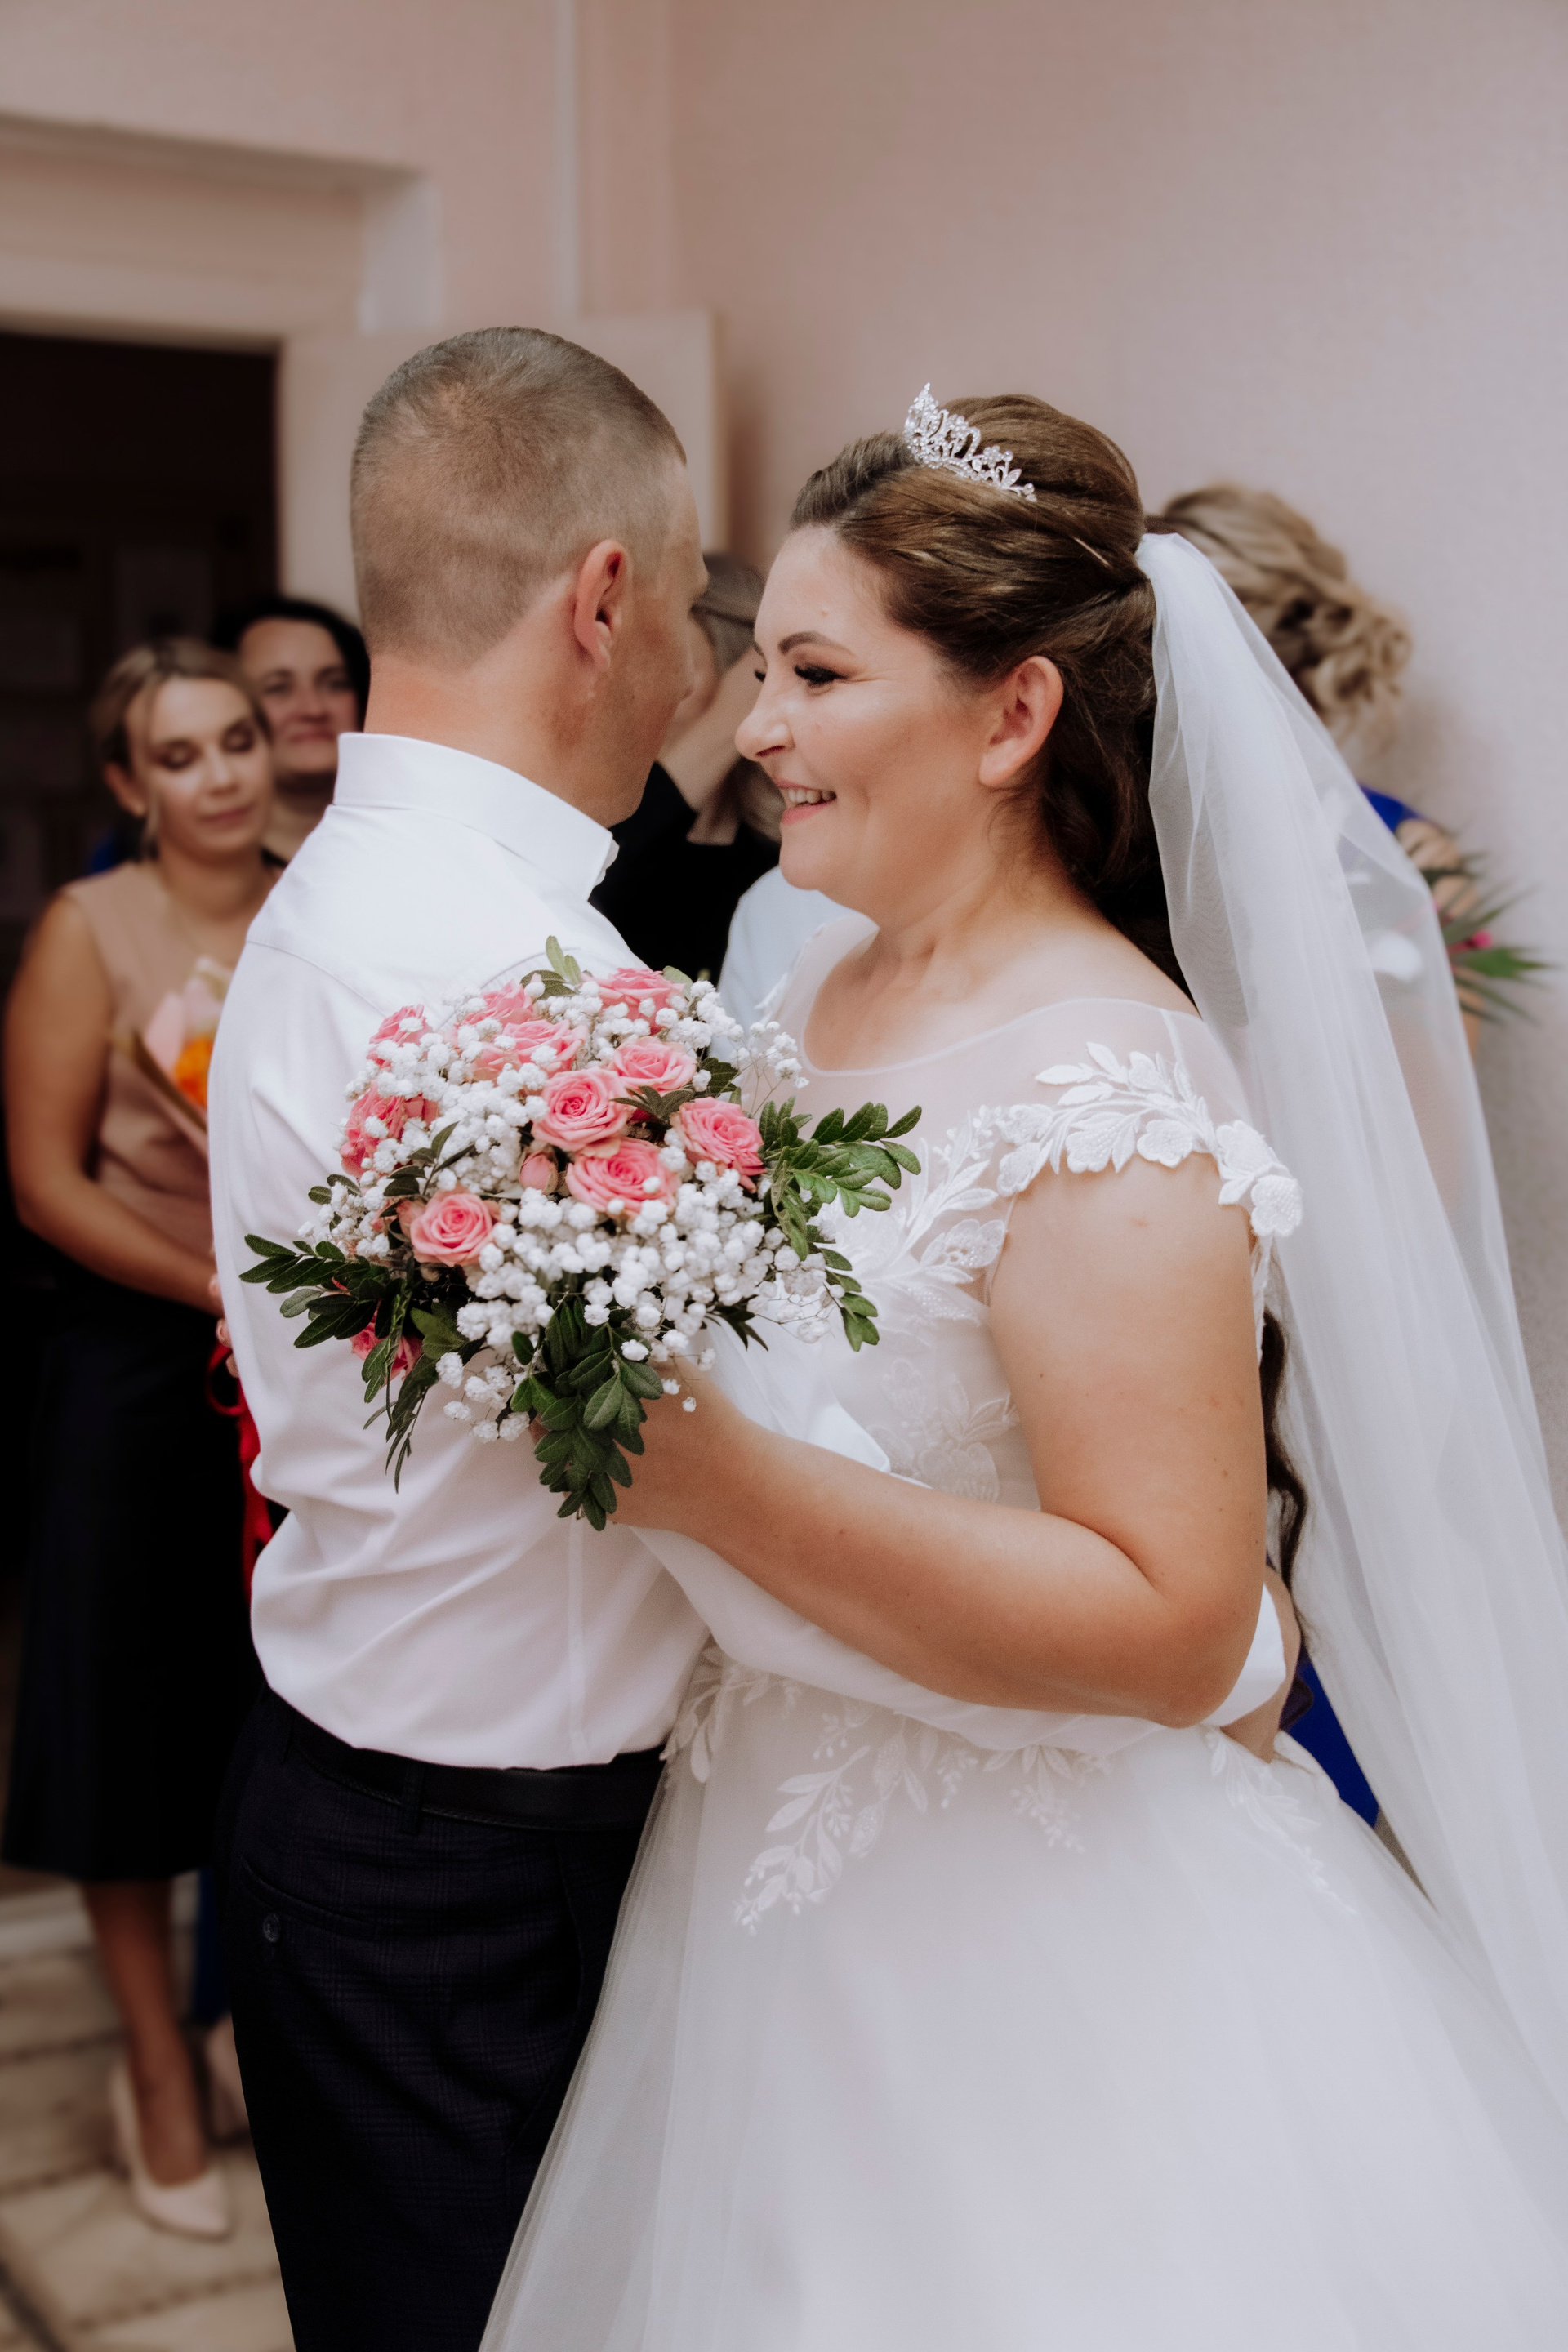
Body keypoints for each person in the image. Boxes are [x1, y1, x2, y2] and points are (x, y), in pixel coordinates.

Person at [483, 393, 1568, 2346]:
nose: (756, 726)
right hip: (770, 1876)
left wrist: (720, 1482)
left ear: (1011, 718)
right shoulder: (812, 981)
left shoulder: (1106, 1084)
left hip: (1042, 1950)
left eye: (816, 674)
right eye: (760, 668)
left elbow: (1178, 1614)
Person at [207, 327, 715, 2352]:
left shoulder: (393, 902)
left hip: (406, 1812)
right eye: (696, 606)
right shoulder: (496, 973)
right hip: (462, 1880)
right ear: (604, 596)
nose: (706, 678)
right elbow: (673, 1450)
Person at [2, 641, 271, 2239]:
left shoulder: (316, 908)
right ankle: (155, 2067)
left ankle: (248, 2029)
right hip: (133, 1361)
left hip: (296, 1364)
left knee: (267, 1714)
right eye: (181, 756)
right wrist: (213, 1290)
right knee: (119, 1726)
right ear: (129, 784)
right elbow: (46, 1184)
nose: (222, 774)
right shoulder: (86, 927)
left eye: (237, 739)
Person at [591, 553, 774, 976]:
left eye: (670, 658)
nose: (638, 688)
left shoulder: (784, 854)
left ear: (741, 671)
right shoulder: (596, 833)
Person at [216, 594, 369, 863]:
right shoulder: (201, 865)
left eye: (335, 684)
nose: (313, 709)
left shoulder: (406, 840)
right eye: (278, 688)